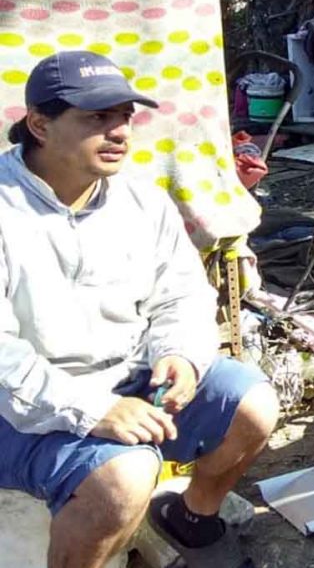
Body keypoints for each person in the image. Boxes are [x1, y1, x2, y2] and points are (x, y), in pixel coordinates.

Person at [0, 51, 278, 568]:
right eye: (97, 118)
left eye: (125, 116)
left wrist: (180, 356)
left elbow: (181, 294)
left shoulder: (141, 201)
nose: (120, 132)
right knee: (123, 478)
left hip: (123, 378)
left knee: (252, 405)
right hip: (16, 408)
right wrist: (93, 410)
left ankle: (190, 521)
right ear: (39, 124)